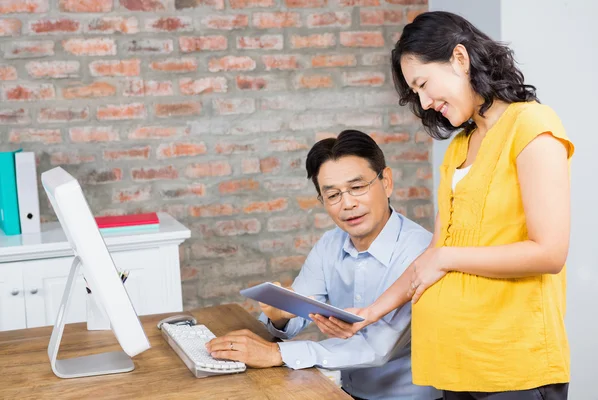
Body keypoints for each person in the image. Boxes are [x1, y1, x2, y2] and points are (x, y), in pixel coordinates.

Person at [317, 11, 575, 400]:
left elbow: (549, 253)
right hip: (454, 366)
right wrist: (367, 315)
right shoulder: (458, 148)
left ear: (459, 58)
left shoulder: (532, 126)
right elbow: (434, 256)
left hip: (511, 369)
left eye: (423, 84)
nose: (423, 101)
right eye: (414, 92)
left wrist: (447, 258)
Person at [206, 130, 441, 400]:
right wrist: (279, 314)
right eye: (333, 195)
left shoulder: (420, 251)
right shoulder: (330, 244)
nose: (348, 204)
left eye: (357, 187)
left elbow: (377, 349)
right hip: (345, 391)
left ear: (386, 182)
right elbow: (299, 311)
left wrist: (275, 353)